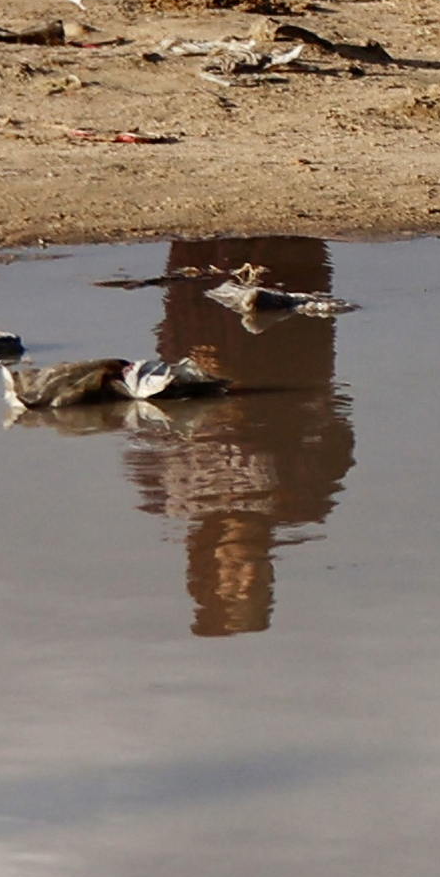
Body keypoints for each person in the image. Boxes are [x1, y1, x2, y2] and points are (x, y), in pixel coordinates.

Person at [127, 235, 358, 636]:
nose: (250, 575)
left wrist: (195, 374)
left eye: (234, 585)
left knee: (202, 260)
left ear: (207, 568)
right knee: (285, 254)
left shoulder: (168, 497)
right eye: (259, 588)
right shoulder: (305, 501)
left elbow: (151, 416)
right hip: (287, 356)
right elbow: (335, 428)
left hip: (201, 352)